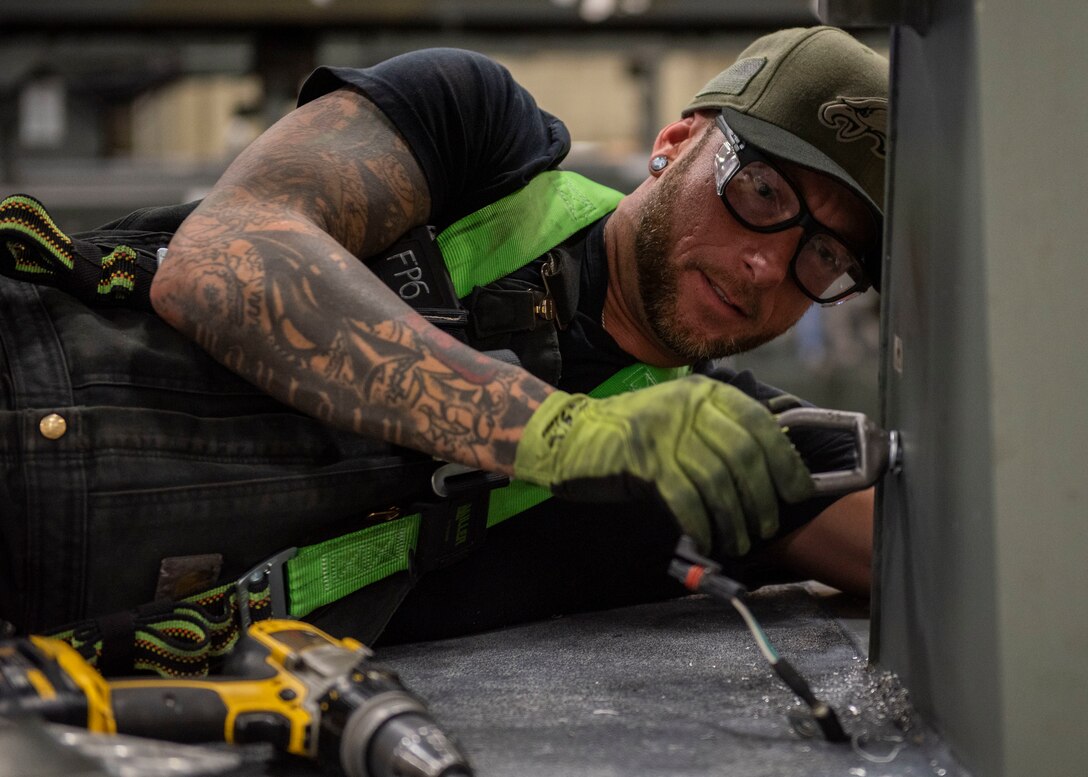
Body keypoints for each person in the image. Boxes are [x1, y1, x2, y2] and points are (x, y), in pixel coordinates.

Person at [0, 26, 887, 656]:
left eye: (823, 254)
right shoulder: (478, 139)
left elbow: (967, 571)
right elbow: (228, 260)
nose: (769, 266)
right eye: (762, 189)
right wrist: (561, 433)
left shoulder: (717, 459)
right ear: (677, 139)